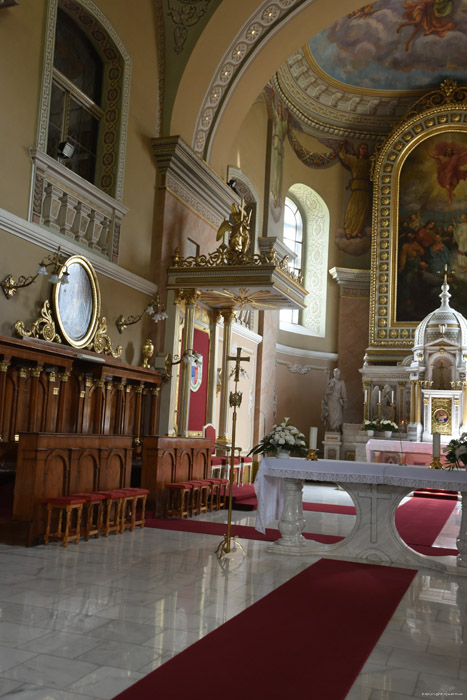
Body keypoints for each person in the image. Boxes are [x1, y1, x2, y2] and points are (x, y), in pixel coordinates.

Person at [338, 142, 372, 239]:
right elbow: (343, 156)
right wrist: (342, 146)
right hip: (356, 187)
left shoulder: (369, 162)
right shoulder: (354, 160)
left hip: (365, 187)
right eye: (362, 148)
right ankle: (349, 230)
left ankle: (358, 230)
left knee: (363, 211)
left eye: (365, 148)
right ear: (358, 149)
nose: (364, 150)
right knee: (352, 210)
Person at [321, 368, 347, 432]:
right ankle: (332, 429)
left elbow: (344, 392)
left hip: (337, 401)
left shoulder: (341, 382)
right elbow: (326, 392)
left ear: (339, 373)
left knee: (338, 416)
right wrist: (330, 387)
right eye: (335, 372)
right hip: (331, 401)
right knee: (331, 416)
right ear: (333, 373)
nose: (336, 374)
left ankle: (337, 429)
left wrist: (344, 400)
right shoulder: (330, 381)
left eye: (337, 372)